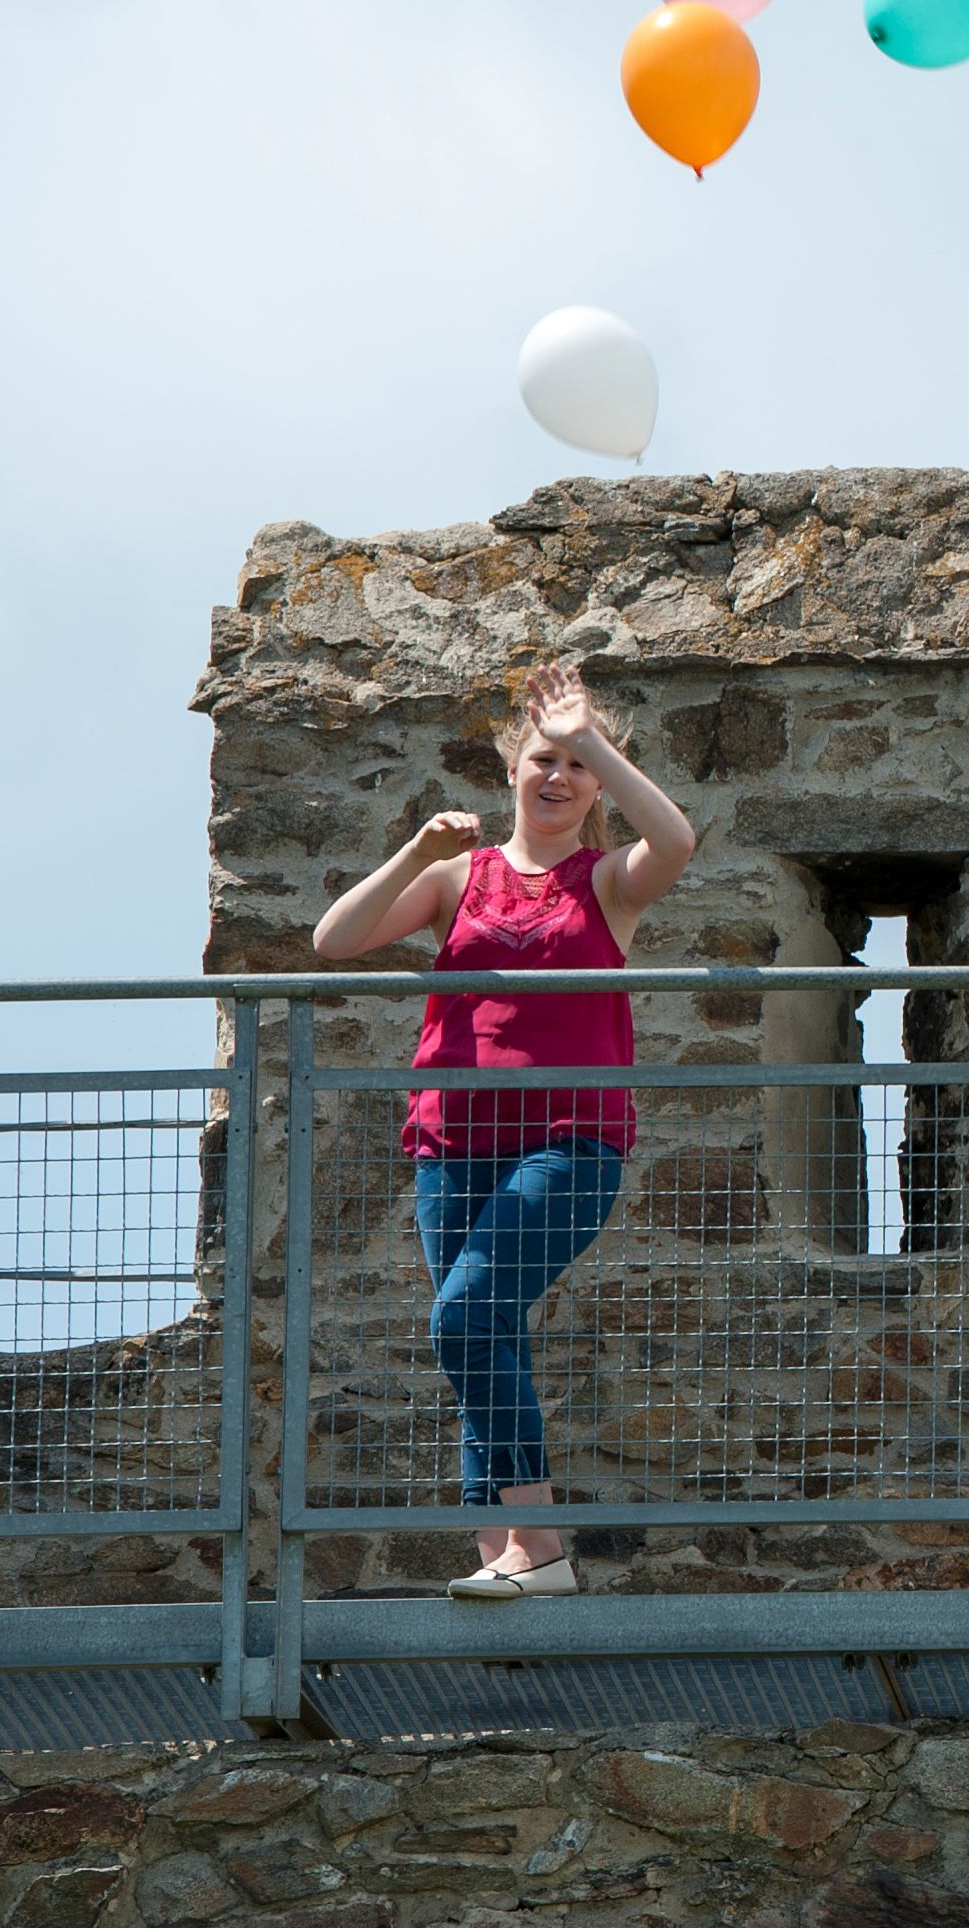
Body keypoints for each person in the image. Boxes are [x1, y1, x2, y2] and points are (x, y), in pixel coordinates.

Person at [309, 661, 697, 1602]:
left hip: (569, 1137)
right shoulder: (458, 878)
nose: (556, 775)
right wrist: (416, 849)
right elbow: (334, 939)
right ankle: (501, 1555)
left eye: (576, 764)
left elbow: (676, 839)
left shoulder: (607, 882)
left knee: (464, 1314)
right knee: (484, 1336)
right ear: (513, 773)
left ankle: (540, 1545)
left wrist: (593, 733)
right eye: (541, 758)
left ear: (597, 785)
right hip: (452, 1141)